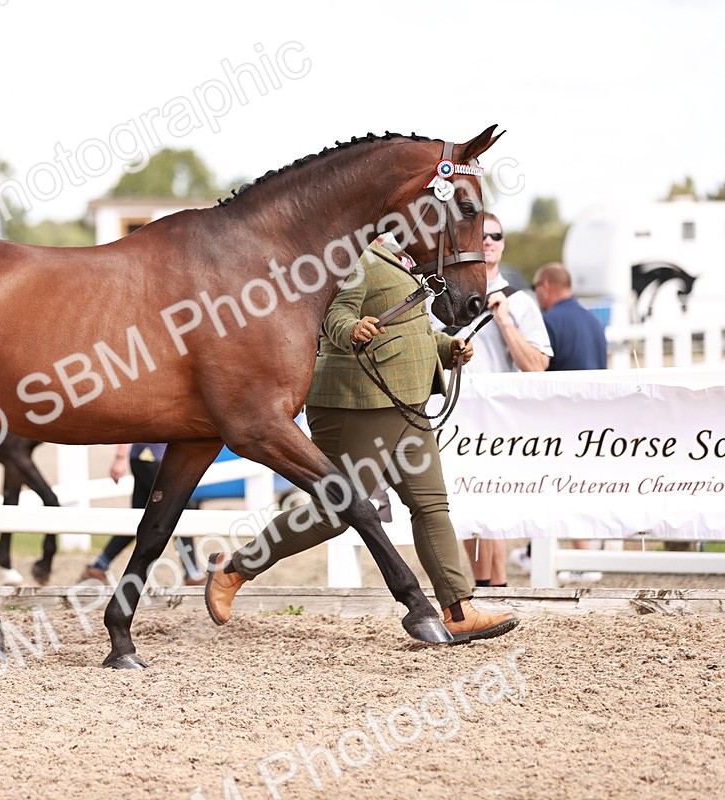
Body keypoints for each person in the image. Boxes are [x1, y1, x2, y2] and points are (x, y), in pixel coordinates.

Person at [204, 235, 519, 643]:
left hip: (405, 400)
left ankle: (458, 609)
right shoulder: (355, 258)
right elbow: (334, 316)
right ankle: (233, 571)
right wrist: (353, 330)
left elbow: (411, 327)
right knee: (334, 513)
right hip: (359, 402)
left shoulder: (400, 258)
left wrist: (447, 347)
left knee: (430, 505)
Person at [441, 212, 553, 588]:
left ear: (503, 243)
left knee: (493, 502)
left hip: (500, 417)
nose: (488, 241)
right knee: (463, 504)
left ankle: (497, 585)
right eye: (481, 235)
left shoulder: (521, 303)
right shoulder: (443, 297)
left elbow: (537, 366)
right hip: (454, 412)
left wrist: (504, 322)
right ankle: (481, 587)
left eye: (496, 235)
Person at [509, 262, 608, 581]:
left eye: (536, 288)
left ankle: (581, 559)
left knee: (557, 486)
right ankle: (540, 551)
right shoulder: (594, 321)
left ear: (547, 286)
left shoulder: (549, 322)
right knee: (576, 486)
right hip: (595, 417)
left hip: (560, 418)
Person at [81, 443, 207, 586]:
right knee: (180, 509)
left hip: (146, 458)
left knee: (140, 517)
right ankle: (192, 573)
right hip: (152, 458)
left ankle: (98, 567)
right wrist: (120, 457)